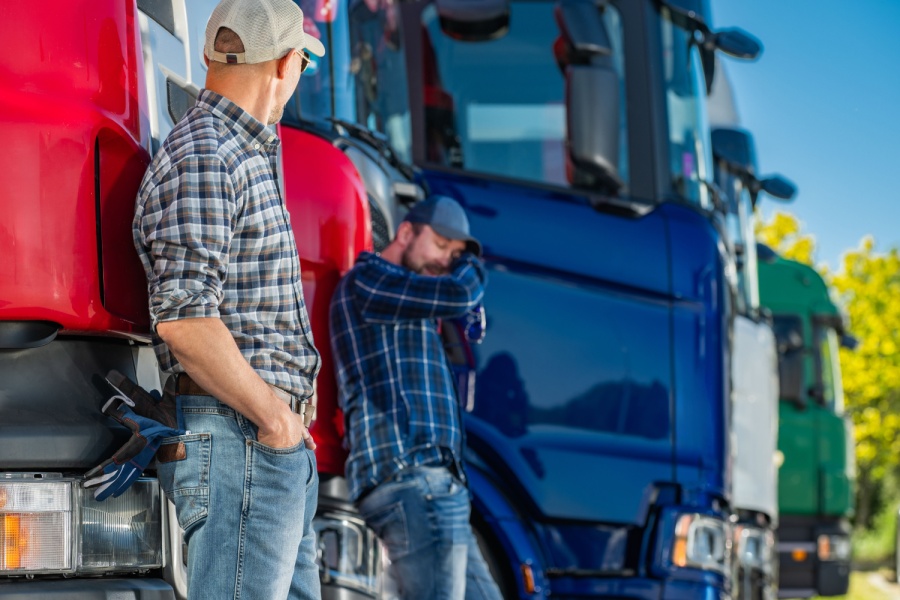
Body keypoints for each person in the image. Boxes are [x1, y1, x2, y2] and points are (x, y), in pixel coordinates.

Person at [132, 0, 325, 597]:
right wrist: (274, 419)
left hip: (262, 443)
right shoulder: (208, 154)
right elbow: (186, 321)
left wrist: (287, 426)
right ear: (287, 64)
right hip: (245, 441)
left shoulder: (233, 153)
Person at [330, 195, 502, 600]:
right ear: (405, 232)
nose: (447, 261)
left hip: (430, 484)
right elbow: (459, 295)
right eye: (442, 246)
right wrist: (473, 266)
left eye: (457, 254)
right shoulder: (368, 281)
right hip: (414, 478)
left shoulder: (405, 298)